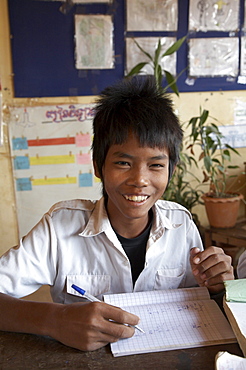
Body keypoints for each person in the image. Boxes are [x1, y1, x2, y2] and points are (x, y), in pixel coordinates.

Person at [0, 76, 234, 352]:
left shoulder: (181, 224)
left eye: (156, 165)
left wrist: (218, 287)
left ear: (171, 170)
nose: (140, 180)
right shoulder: (60, 227)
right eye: (123, 162)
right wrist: (54, 319)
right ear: (98, 165)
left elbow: (200, 303)